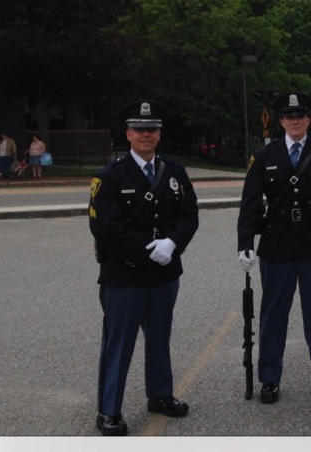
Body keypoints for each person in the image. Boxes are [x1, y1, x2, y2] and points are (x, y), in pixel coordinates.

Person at [88, 100, 199, 436]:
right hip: (125, 275)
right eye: (139, 129)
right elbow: (104, 226)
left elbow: (189, 214)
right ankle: (109, 410)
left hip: (164, 272)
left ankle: (160, 394)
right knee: (118, 344)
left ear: (159, 134)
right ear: (128, 134)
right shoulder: (109, 177)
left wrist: (172, 244)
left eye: (151, 129)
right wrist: (147, 249)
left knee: (159, 339)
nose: (146, 134)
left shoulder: (175, 172)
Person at [236, 93, 311, 403]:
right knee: (274, 314)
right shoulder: (265, 156)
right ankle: (270, 378)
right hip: (277, 243)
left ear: (308, 119)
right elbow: (250, 203)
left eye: (300, 115)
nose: (295, 121)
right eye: (289, 116)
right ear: (280, 121)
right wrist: (245, 243)